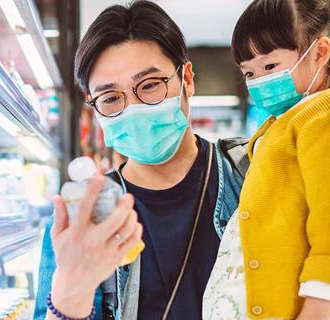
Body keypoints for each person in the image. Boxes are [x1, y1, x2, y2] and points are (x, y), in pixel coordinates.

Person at [34, 1, 247, 319]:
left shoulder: (251, 174)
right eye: (110, 98)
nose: (132, 108)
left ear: (187, 79)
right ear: (93, 107)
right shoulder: (82, 217)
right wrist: (69, 292)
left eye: (149, 86)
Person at [203, 0, 330, 319]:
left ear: (319, 52)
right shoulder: (291, 119)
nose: (258, 81)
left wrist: (317, 308)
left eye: (270, 67)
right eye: (248, 73)